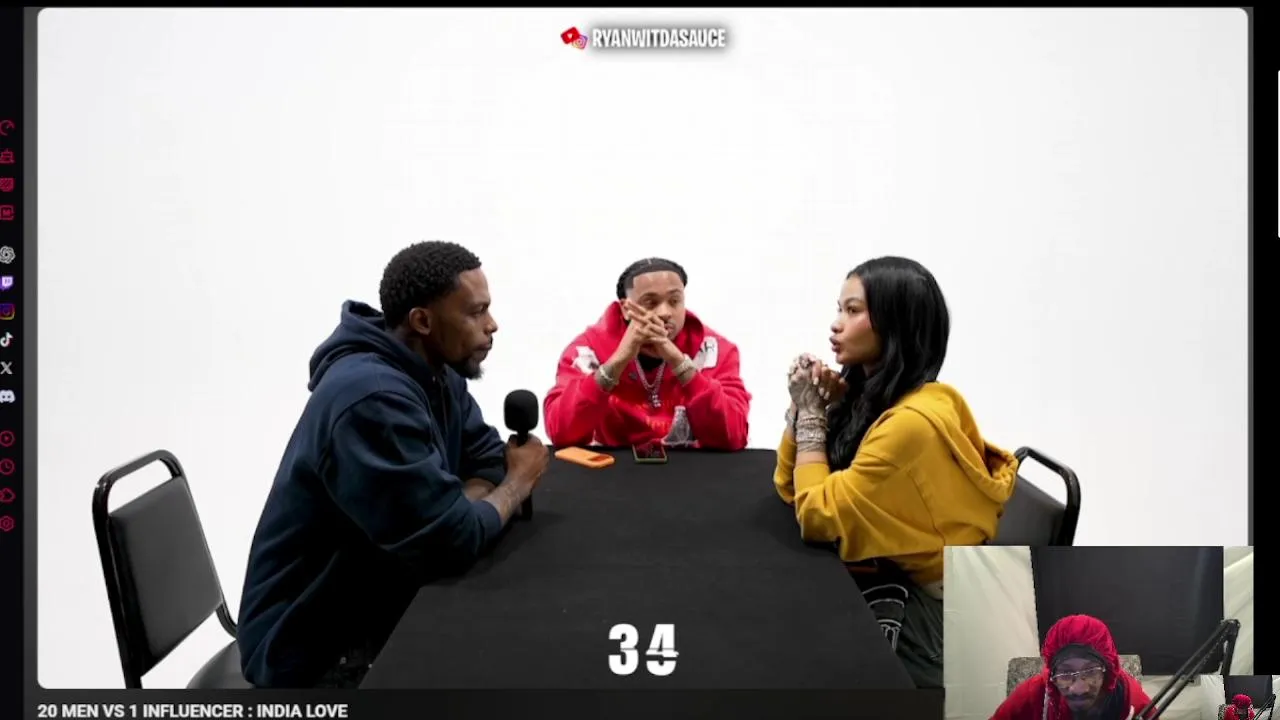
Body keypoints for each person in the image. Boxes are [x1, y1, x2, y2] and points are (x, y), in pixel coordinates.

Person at [236, 241, 550, 688]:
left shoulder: (435, 370)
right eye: (476, 312)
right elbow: (452, 541)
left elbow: (484, 457)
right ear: (422, 320)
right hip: (309, 648)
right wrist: (515, 486)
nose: (492, 324)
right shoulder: (372, 399)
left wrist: (462, 510)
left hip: (376, 592)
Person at [772, 256, 1018, 689]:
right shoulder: (876, 395)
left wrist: (812, 417)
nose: (835, 324)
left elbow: (816, 517)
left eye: (853, 310)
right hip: (914, 584)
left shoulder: (910, 424)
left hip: (942, 626)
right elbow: (788, 487)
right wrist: (809, 410)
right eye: (839, 308)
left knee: (790, 645)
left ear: (896, 324)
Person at [543, 257, 751, 450]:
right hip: (613, 468)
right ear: (626, 309)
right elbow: (561, 433)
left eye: (674, 301)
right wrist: (617, 362)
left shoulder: (714, 350)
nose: (665, 313)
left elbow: (732, 436)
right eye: (651, 303)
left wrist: (679, 363)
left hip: (692, 469)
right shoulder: (587, 351)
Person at [994, 614, 1152, 720]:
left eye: (1091, 671)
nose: (1079, 689)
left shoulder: (1128, 697)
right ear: (1052, 676)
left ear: (1107, 672)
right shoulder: (1033, 694)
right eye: (1065, 673)